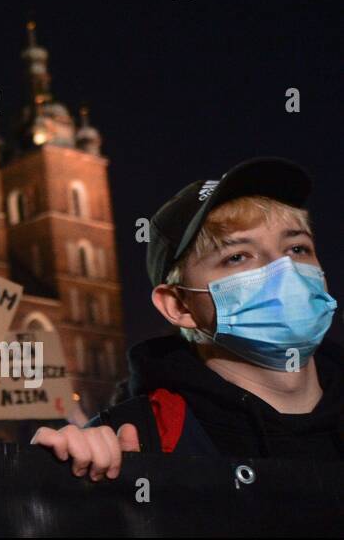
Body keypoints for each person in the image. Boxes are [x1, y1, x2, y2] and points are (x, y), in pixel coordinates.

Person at [31, 157, 341, 480]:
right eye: (237, 256)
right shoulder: (136, 443)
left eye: (297, 249)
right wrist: (54, 478)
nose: (284, 269)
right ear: (179, 305)